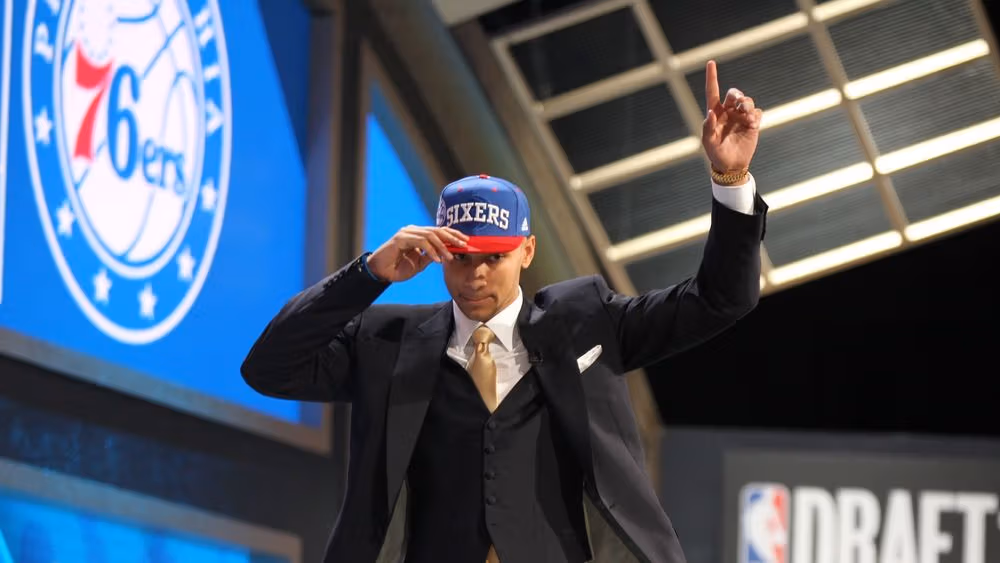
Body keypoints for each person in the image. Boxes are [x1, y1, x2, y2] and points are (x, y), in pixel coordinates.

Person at [241, 61, 768, 563]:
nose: (476, 276)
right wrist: (369, 274)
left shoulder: (585, 323)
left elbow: (719, 300)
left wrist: (731, 179)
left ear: (527, 251)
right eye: (460, 258)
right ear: (437, 254)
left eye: (494, 258)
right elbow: (269, 368)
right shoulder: (388, 343)